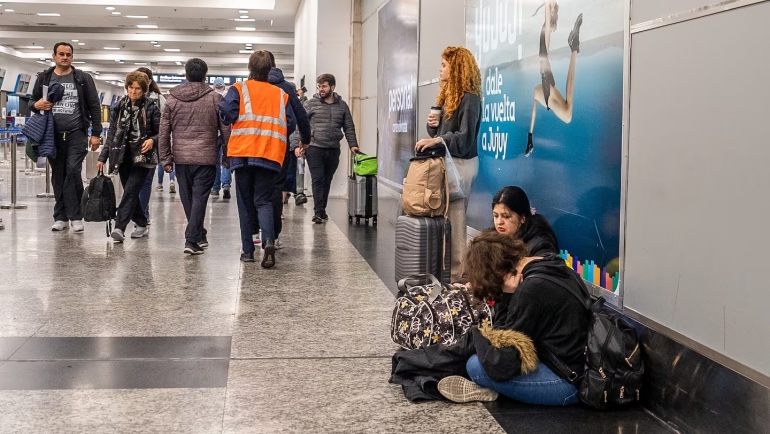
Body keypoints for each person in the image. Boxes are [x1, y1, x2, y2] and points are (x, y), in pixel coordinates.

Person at [436, 230, 589, 405]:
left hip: (568, 384)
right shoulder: (549, 262)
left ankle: (492, 390)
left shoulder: (530, 289)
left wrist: (506, 298)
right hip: (580, 366)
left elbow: (504, 356)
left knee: (475, 366)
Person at [219, 50, 295, 267]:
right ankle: (269, 240)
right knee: (264, 200)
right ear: (270, 69)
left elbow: (226, 112)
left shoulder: (239, 89)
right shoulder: (281, 95)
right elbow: (290, 124)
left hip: (243, 152)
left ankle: (247, 251)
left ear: (250, 69)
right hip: (270, 153)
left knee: (244, 202)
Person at [416, 46, 482, 282]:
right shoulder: (448, 96)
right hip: (448, 163)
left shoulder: (470, 99)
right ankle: (447, 272)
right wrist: (434, 126)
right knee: (445, 220)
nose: (440, 69)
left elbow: (464, 140)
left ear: (457, 67)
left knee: (455, 220)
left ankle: (457, 276)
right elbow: (444, 133)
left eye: (444, 65)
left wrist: (438, 138)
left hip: (462, 165)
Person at [159, 58, 230, 255]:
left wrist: (165, 157)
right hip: (206, 157)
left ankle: (199, 234)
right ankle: (192, 239)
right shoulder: (215, 99)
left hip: (181, 158)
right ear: (205, 75)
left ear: (186, 75)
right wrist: (228, 155)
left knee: (188, 197)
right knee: (199, 198)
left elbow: (164, 131)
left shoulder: (172, 100)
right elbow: (225, 129)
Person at [29, 42, 102, 233]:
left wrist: (96, 133)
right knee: (58, 174)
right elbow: (31, 101)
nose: (65, 57)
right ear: (54, 56)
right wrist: (37, 105)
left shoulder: (82, 78)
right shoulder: (44, 78)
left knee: (72, 171)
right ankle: (60, 216)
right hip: (51, 134)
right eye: (61, 54)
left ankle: (76, 215)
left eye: (68, 54)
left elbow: (94, 106)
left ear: (72, 57)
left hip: (76, 133)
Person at [96, 71, 160, 242]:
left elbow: (161, 132)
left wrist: (153, 140)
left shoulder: (152, 107)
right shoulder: (118, 106)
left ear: (144, 90)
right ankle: (141, 222)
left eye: (138, 89)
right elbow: (112, 133)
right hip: (121, 155)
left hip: (143, 157)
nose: (133, 92)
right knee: (130, 192)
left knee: (131, 191)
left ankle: (119, 227)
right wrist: (103, 157)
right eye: (131, 88)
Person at [300, 73, 359, 223]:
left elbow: (349, 127)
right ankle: (318, 212)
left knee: (327, 180)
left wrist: (353, 145)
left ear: (332, 87)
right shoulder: (310, 104)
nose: (321, 89)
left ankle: (322, 210)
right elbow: (299, 125)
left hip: (333, 148)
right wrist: (297, 144)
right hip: (314, 147)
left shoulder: (342, 106)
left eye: (324, 86)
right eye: (319, 86)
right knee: (318, 179)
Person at [526, 1, 582, 156]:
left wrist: (530, 137)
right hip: (545, 83)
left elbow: (533, 112)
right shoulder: (537, 91)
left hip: (545, 84)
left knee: (568, 114)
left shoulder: (538, 91)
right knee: (568, 111)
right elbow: (534, 112)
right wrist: (530, 136)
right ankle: (574, 46)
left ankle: (574, 47)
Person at [267, 54, 311, 246]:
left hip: (252, 146)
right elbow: (299, 116)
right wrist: (304, 140)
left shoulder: (247, 88)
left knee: (254, 190)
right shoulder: (287, 88)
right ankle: (274, 236)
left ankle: (252, 233)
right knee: (276, 187)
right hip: (279, 144)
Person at [135, 67, 167, 224]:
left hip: (150, 146)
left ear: (149, 81)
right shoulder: (127, 99)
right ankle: (137, 214)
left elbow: (164, 125)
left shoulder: (159, 100)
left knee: (146, 182)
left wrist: (156, 141)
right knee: (132, 183)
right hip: (131, 148)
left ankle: (143, 216)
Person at [492, 186, 558, 256]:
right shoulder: (490, 239)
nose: (499, 222)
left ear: (522, 218)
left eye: (506, 216)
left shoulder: (540, 245)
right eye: (496, 216)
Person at [211, 78, 232, 199]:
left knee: (216, 161)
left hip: (215, 134)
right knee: (226, 159)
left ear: (214, 87)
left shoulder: (211, 97)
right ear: (224, 87)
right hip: (227, 133)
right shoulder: (229, 98)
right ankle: (226, 185)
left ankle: (215, 187)